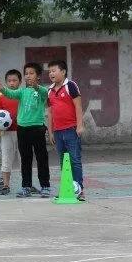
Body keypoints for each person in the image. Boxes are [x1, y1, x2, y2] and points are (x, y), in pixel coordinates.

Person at [0, 62, 50, 198]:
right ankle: (26, 186)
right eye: (26, 73)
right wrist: (2, 89)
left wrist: (36, 87)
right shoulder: (22, 91)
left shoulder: (42, 91)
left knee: (41, 158)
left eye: (31, 73)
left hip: (38, 128)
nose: (28, 76)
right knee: (25, 159)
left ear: (38, 76)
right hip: (22, 129)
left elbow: (44, 94)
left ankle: (45, 186)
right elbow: (10, 93)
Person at [47, 60, 85, 201]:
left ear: (63, 72)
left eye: (54, 70)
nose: (51, 73)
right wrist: (50, 132)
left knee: (75, 160)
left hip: (71, 130)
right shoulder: (49, 90)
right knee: (64, 161)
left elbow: (78, 107)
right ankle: (67, 189)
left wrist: (80, 125)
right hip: (57, 132)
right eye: (49, 71)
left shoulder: (71, 86)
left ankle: (79, 190)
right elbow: (50, 113)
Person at [0, 69, 22, 195]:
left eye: (14, 80)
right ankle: (6, 185)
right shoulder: (1, 98)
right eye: (9, 81)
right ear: (6, 82)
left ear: (20, 82)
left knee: (24, 159)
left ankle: (26, 184)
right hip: (6, 133)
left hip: (22, 132)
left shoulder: (23, 95)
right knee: (6, 158)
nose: (12, 83)